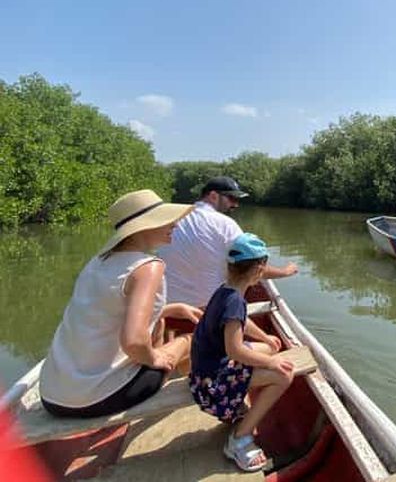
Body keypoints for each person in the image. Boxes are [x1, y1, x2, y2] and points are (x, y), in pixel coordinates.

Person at [39, 190, 200, 418]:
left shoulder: (97, 262)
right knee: (192, 339)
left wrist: (171, 309)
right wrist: (155, 358)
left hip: (52, 396)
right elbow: (133, 341)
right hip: (95, 399)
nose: (175, 224)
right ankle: (191, 400)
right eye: (167, 219)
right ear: (144, 226)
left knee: (160, 324)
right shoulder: (148, 267)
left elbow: (104, 311)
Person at [189, 233, 295, 472]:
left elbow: (240, 323)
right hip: (211, 386)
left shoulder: (225, 291)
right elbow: (235, 350)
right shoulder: (235, 301)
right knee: (283, 375)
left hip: (205, 371)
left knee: (269, 347)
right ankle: (239, 439)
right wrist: (271, 363)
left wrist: (266, 338)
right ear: (260, 269)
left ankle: (238, 406)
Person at [160, 175, 298, 308]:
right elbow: (252, 268)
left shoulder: (172, 218)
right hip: (207, 307)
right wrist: (286, 271)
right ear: (213, 196)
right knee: (242, 276)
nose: (235, 204)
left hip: (167, 305)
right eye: (231, 198)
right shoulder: (225, 224)